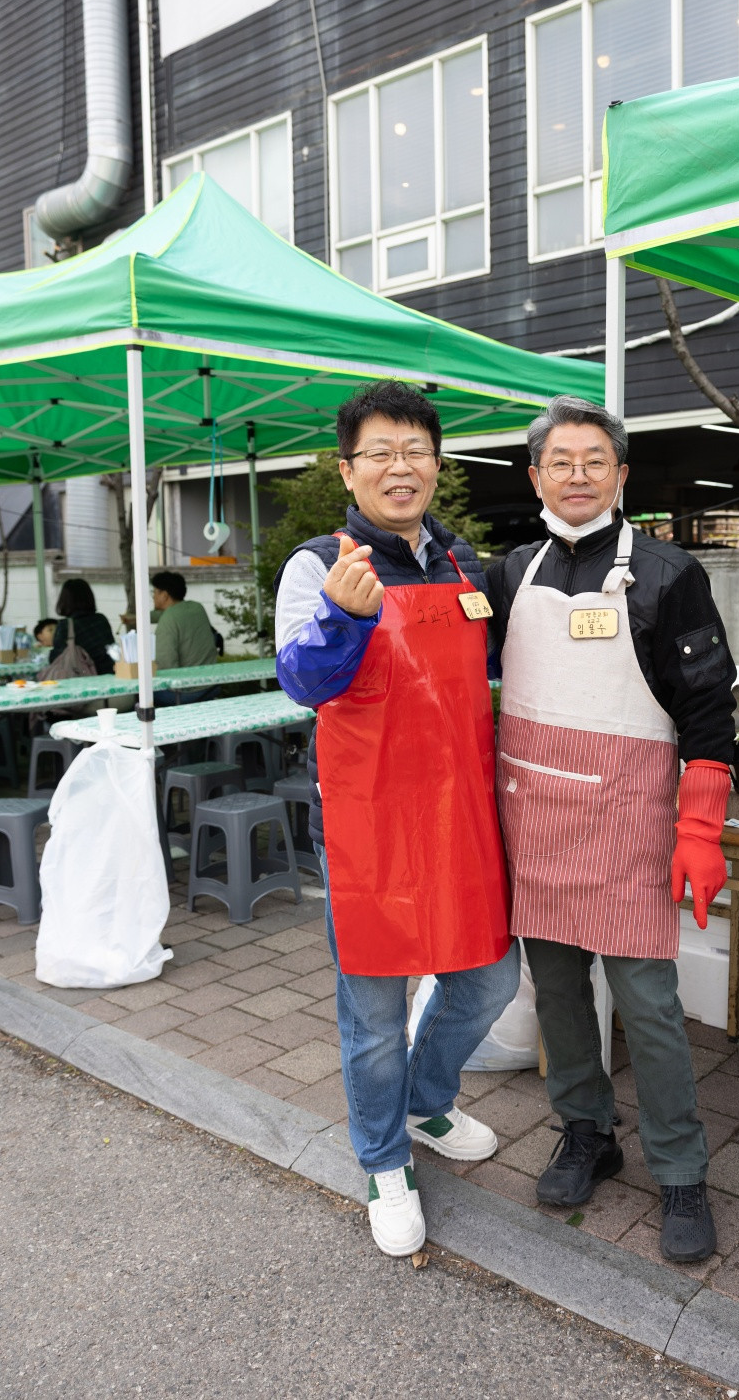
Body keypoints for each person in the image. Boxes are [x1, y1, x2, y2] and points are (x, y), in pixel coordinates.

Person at [486, 395, 736, 1265]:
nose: (578, 474)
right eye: (561, 461)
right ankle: (586, 1131)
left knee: (650, 1007)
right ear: (536, 476)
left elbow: (708, 712)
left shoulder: (669, 573)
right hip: (536, 818)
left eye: (595, 460)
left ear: (622, 474)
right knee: (557, 996)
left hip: (630, 820)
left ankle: (681, 1170)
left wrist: (700, 828)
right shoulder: (508, 574)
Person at [274, 379, 519, 1259]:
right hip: (367, 825)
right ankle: (382, 1160)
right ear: (349, 469)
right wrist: (343, 617)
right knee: (373, 1013)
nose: (399, 466)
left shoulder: (463, 565)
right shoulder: (320, 565)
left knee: (489, 980)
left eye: (415, 450)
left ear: (438, 465)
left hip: (460, 813)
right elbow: (301, 681)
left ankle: (425, 1102)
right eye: (379, 452)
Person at [151, 571, 219, 670]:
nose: (153, 596)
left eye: (154, 592)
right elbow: (169, 614)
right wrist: (137, 618)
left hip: (187, 679)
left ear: (164, 595)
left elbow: (165, 662)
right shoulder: (197, 608)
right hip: (211, 675)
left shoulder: (168, 619)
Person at [48, 579, 115, 674]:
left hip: (81, 676)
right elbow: (111, 649)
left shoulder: (65, 626)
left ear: (64, 600)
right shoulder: (101, 619)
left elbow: (56, 658)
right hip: (108, 673)